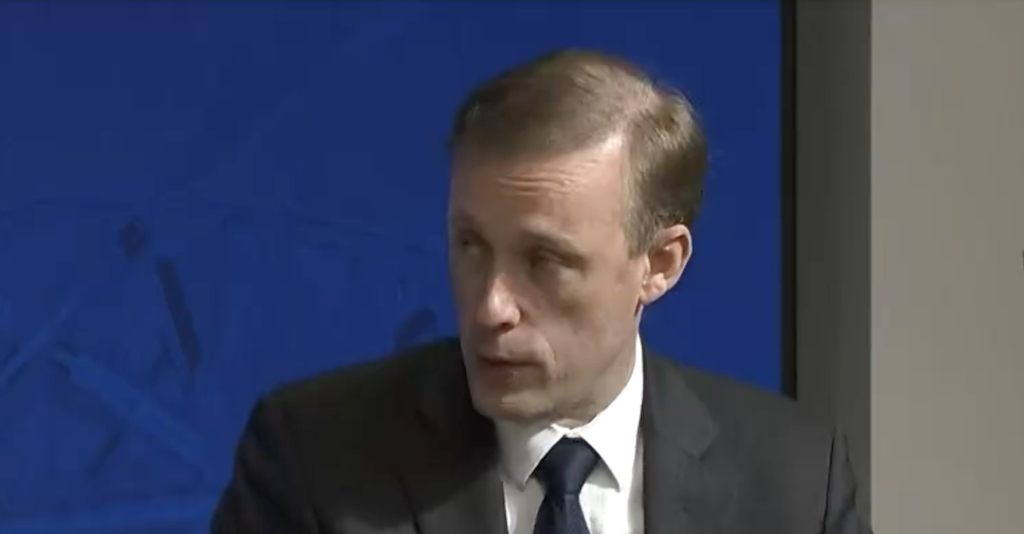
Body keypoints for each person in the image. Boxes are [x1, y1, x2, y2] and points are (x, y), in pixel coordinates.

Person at [211, 48, 872, 534]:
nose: (491, 307)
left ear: (660, 264)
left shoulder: (794, 482)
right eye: (471, 246)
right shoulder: (313, 460)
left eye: (544, 261)